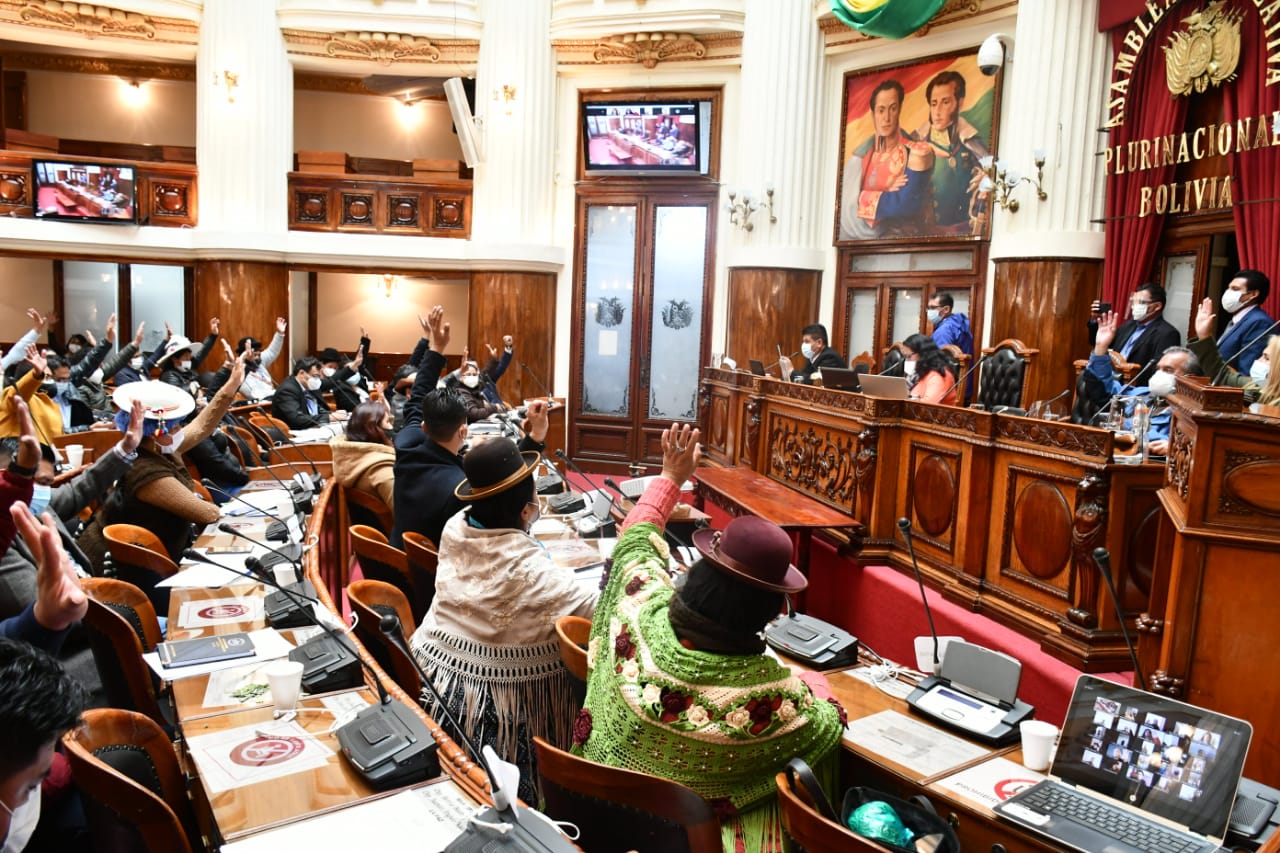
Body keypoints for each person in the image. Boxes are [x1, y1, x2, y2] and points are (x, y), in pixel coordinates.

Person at [575, 423, 845, 852]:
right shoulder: (776, 700)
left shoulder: (639, 609)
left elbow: (636, 540)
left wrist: (671, 476)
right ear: (771, 612)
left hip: (592, 825)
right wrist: (811, 680)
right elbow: (827, 722)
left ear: (700, 571)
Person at [409, 436, 598, 804]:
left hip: (430, 682)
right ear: (527, 511)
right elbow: (600, 608)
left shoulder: (456, 527)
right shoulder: (531, 575)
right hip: (488, 719)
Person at [77, 355, 247, 582]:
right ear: (157, 433)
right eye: (175, 426)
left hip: (149, 560)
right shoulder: (145, 471)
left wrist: (230, 387)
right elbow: (207, 514)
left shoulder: (161, 448)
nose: (180, 430)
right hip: (120, 573)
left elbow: (201, 426)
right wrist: (245, 516)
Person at [1087, 311, 1200, 456]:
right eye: (1158, 369)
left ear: (1189, 377)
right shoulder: (1142, 394)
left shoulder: (1190, 414)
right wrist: (1101, 347)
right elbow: (1103, 389)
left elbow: (1177, 444)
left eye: (1168, 370)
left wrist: (1127, 424)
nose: (1160, 374)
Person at [839, 79, 935, 240]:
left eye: (893, 109)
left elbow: (906, 204)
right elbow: (845, 206)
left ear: (900, 109)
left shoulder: (916, 152)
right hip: (859, 244)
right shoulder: (860, 157)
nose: (887, 118)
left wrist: (863, 197)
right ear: (873, 114)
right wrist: (886, 189)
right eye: (881, 110)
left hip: (901, 242)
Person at [914, 70, 990, 234]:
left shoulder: (971, 141)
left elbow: (990, 177)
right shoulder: (917, 142)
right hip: (926, 234)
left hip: (964, 233)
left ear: (960, 103)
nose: (937, 111)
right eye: (934, 103)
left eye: (945, 102)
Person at [1186, 297, 1280, 406]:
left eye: (1266, 358)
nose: (1258, 360)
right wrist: (1204, 336)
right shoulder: (1255, 386)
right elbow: (1223, 376)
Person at [1088, 283, 1182, 387]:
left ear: (1157, 306)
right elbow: (1100, 344)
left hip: (1134, 387)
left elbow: (1158, 371)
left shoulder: (1168, 333)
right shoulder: (1128, 325)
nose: (1134, 306)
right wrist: (1096, 321)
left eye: (1141, 302)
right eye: (1134, 302)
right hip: (1110, 380)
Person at [330, 398, 395, 511]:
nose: (391, 427)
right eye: (388, 422)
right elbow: (407, 515)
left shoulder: (352, 458)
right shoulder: (384, 472)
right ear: (374, 430)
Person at [1216, 270, 1275, 373]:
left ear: (1253, 294)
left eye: (1235, 289)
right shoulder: (1238, 319)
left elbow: (1247, 372)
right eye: (1229, 288)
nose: (1228, 292)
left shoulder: (1259, 323)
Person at [272, 357, 346, 430]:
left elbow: (316, 410)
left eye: (319, 377)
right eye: (315, 376)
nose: (317, 380)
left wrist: (333, 414)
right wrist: (329, 417)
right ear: (301, 373)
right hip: (294, 432)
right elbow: (297, 419)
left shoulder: (309, 385)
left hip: (314, 428)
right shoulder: (287, 390)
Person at [157, 317, 220, 393]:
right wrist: (194, 386)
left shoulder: (189, 368)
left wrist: (213, 335)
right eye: (186, 357)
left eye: (190, 357)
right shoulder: (169, 376)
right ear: (175, 359)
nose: (189, 360)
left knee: (209, 376)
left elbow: (202, 351)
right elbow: (179, 393)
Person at [236, 317, 287, 400]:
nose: (257, 357)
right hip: (259, 402)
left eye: (258, 354)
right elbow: (252, 394)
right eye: (254, 355)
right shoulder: (238, 370)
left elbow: (272, 351)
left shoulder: (259, 362)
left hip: (274, 398)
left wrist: (280, 334)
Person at [777, 324, 844, 385]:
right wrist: (784, 377)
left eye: (807, 341)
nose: (803, 345)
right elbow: (804, 376)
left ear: (819, 343)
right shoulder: (812, 357)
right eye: (803, 342)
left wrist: (791, 371)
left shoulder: (830, 357)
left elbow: (815, 382)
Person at [319, 333, 371, 412]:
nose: (333, 370)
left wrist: (364, 342)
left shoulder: (341, 380)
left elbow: (358, 364)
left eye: (335, 368)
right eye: (330, 367)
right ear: (322, 365)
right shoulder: (317, 381)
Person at [901, 333, 958, 404]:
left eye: (909, 356)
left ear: (923, 354)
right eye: (905, 357)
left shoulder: (940, 375)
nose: (906, 360)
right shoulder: (917, 373)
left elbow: (929, 404)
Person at [927, 292, 973, 358]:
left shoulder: (944, 330)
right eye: (928, 308)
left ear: (946, 309)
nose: (929, 311)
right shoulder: (958, 323)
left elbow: (940, 360)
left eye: (933, 307)